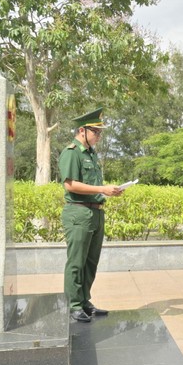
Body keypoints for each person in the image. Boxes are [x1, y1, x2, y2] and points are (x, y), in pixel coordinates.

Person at [59, 108, 123, 323]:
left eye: (100, 133)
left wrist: (108, 191)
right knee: (76, 261)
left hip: (95, 212)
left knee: (90, 262)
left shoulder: (92, 154)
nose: (99, 136)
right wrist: (102, 189)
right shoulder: (71, 152)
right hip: (78, 212)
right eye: (96, 132)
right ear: (82, 130)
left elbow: (93, 185)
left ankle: (85, 301)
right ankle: (74, 305)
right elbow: (70, 185)